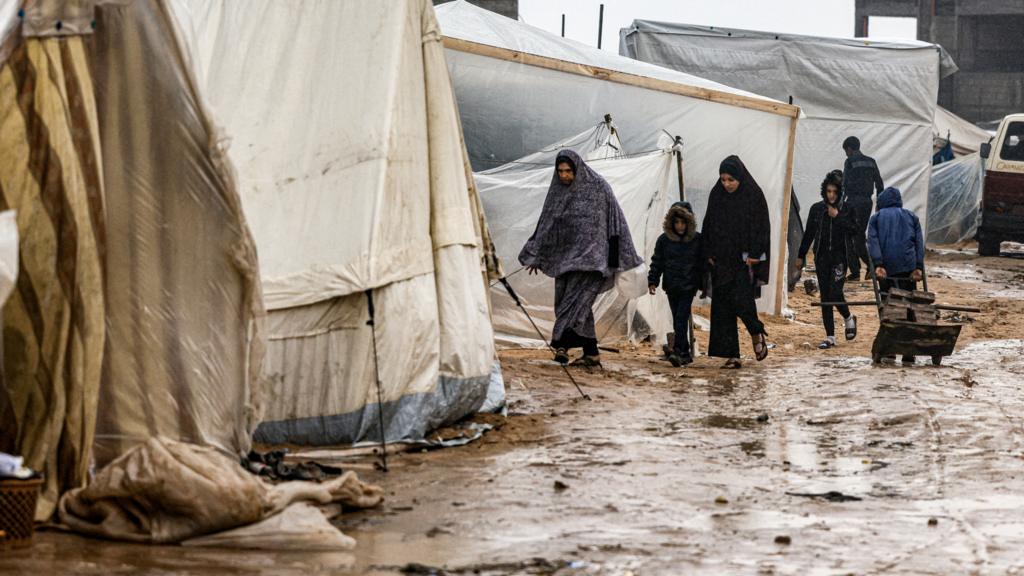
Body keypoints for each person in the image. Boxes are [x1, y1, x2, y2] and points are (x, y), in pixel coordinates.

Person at [519, 149, 642, 368]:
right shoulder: (558, 192)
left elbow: (616, 222)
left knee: (574, 305)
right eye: (560, 171)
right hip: (565, 260)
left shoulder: (598, 187)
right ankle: (591, 353)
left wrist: (621, 257)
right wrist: (536, 253)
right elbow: (548, 222)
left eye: (568, 171)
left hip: (592, 262)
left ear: (577, 168)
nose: (564, 175)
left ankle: (561, 347)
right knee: (570, 306)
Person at [701, 156, 771, 369]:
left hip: (744, 258)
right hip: (722, 258)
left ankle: (756, 331)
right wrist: (708, 251)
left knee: (741, 299)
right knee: (722, 305)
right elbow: (709, 223)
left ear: (739, 177)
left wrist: (756, 252)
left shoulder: (753, 194)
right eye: (723, 179)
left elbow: (762, 226)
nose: (727, 184)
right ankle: (731, 355)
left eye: (731, 179)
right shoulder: (717, 194)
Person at [796, 170, 858, 349]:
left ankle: (848, 317)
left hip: (840, 258)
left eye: (835, 192)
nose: (831, 195)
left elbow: (855, 230)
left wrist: (837, 216)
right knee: (825, 296)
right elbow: (808, 234)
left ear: (840, 193)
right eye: (828, 191)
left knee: (835, 291)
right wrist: (801, 256)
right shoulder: (817, 209)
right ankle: (830, 336)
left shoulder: (847, 209)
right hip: (822, 258)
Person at [867, 186, 925, 365]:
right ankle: (909, 352)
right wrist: (918, 267)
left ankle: (890, 350)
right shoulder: (911, 217)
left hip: (887, 271)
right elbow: (918, 243)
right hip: (908, 270)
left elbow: (873, 241)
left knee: (888, 308)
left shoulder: (876, 218)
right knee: (909, 309)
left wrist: (878, 265)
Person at [648, 201, 703, 367]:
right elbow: (657, 262)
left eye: (683, 222)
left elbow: (701, 264)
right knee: (677, 319)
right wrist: (653, 281)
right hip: (672, 286)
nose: (680, 226)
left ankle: (680, 351)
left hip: (688, 286)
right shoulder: (664, 240)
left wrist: (702, 284)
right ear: (671, 222)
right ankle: (684, 352)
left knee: (680, 318)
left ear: (689, 223)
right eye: (677, 222)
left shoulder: (696, 240)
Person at [842, 136, 884, 281]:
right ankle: (870, 266)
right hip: (867, 203)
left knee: (848, 236)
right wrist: (879, 203)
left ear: (849, 149)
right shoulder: (871, 162)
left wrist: (840, 205)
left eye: (846, 151)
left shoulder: (849, 162)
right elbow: (879, 184)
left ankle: (856, 271)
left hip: (853, 202)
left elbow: (844, 186)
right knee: (859, 236)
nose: (846, 154)